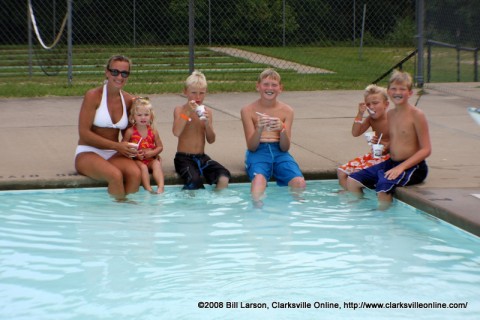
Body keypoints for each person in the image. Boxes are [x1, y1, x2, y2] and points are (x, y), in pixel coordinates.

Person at [347, 70, 431, 210]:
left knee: (383, 187)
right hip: (391, 162)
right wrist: (382, 146)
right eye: (394, 88)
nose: (397, 92)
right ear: (388, 92)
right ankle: (360, 213)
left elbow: (426, 149)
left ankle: (384, 220)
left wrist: (401, 167)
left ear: (410, 93)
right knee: (353, 180)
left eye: (402, 89)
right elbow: (397, 142)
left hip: (412, 167)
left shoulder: (417, 115)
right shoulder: (391, 114)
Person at [74, 55, 141, 200]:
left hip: (113, 153)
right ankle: (116, 216)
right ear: (107, 72)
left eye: (124, 73)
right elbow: (84, 133)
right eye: (115, 72)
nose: (119, 77)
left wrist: (144, 148)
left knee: (136, 174)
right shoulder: (93, 96)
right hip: (88, 153)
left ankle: (131, 215)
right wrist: (117, 146)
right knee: (115, 176)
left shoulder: (128, 100)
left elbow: (129, 133)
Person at [240, 68, 306, 203]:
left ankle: (296, 216)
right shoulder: (248, 110)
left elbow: (285, 148)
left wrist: (282, 130)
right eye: (266, 84)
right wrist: (259, 129)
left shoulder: (287, 111)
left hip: (279, 152)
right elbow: (252, 147)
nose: (270, 88)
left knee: (299, 182)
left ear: (280, 88)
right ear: (258, 86)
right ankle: (257, 212)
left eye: (274, 85)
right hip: (258, 151)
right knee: (258, 181)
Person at [172, 70, 231, 190]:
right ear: (185, 92)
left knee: (224, 177)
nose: (197, 97)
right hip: (183, 158)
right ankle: (191, 205)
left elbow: (211, 140)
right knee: (194, 181)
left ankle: (214, 202)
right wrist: (187, 112)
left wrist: (208, 124)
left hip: (202, 157)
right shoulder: (180, 110)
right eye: (193, 93)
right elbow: (176, 132)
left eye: (201, 93)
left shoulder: (207, 112)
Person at [337, 84, 390, 190]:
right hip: (375, 155)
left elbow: (401, 142)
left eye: (375, 103)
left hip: (388, 157)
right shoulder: (371, 119)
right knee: (341, 171)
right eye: (368, 104)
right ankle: (348, 195)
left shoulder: (392, 120)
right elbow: (355, 132)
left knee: (357, 173)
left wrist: (385, 145)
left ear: (386, 104)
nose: (371, 107)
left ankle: (356, 199)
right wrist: (360, 114)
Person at [122, 97, 165, 194]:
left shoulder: (153, 132)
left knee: (157, 164)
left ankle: (161, 187)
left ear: (151, 116)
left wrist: (153, 153)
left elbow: (160, 147)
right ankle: (148, 188)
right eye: (139, 115)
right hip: (137, 160)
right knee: (143, 167)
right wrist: (135, 155)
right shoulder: (130, 132)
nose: (143, 117)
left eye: (146, 114)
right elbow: (123, 146)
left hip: (150, 159)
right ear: (133, 117)